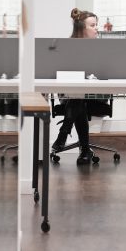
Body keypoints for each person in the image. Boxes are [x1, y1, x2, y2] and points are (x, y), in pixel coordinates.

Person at [51, 8, 100, 165]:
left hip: (94, 96)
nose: (96, 28)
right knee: (77, 99)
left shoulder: (101, 48)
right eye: (92, 25)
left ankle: (63, 134)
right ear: (81, 28)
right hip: (69, 95)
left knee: (78, 99)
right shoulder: (66, 47)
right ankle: (85, 150)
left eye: (96, 25)